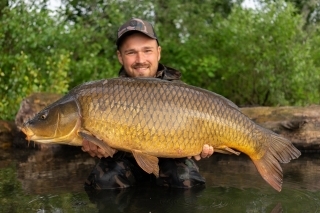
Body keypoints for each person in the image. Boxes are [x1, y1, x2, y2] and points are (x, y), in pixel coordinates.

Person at [82, 18, 214, 189]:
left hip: (172, 160)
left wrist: (204, 146)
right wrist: (103, 148)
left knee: (188, 184)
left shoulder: (182, 93)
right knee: (101, 183)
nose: (140, 59)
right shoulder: (107, 94)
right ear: (120, 57)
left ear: (158, 52)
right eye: (131, 52)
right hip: (125, 160)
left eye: (147, 50)